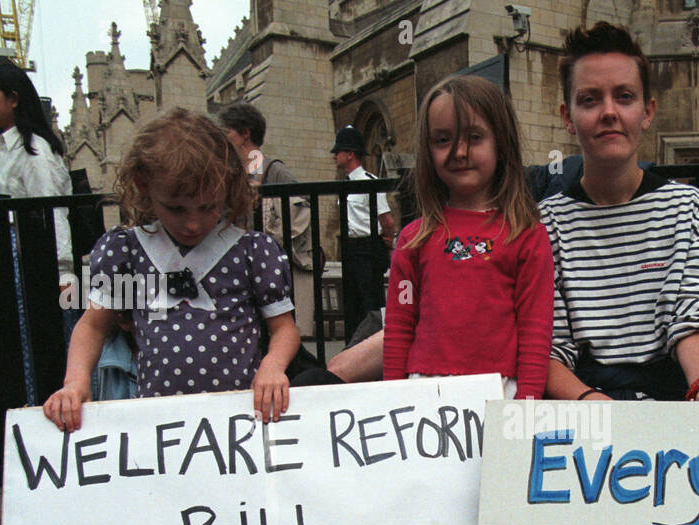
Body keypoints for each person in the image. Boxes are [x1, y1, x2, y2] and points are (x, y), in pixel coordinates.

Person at [541, 21, 699, 406]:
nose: (609, 112)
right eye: (590, 99)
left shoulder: (689, 208)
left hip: (673, 398)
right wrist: (594, 404)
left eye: (624, 97)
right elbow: (548, 345)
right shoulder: (545, 224)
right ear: (567, 116)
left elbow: (694, 311)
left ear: (647, 112)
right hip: (583, 404)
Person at [42, 109, 300, 432]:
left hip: (239, 425)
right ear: (144, 185)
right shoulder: (129, 252)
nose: (193, 223)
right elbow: (93, 325)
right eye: (176, 208)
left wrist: (273, 367)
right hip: (159, 427)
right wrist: (75, 382)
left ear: (227, 187)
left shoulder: (249, 251)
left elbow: (283, 328)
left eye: (208, 207)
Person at [382, 75, 554, 400]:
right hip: (423, 394)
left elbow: (535, 327)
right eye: (443, 140)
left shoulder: (526, 235)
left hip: (500, 394)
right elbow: (399, 324)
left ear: (501, 143)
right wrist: (393, 397)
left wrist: (527, 403)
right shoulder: (412, 239)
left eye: (474, 138)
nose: (459, 152)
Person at [0, 63, 74, 428]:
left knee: (24, 346)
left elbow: (52, 211)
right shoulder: (4, 145)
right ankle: (8, 425)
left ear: (13, 98)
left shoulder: (33, 150)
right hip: (6, 256)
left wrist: (64, 270)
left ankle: (30, 425)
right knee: (1, 344)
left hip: (27, 258)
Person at [219, 103, 319, 338]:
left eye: (227, 133)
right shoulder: (234, 171)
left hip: (270, 268)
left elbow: (301, 207)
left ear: (245, 133)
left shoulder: (269, 168)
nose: (223, 140)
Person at [331, 125, 395, 339]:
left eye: (338, 151)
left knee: (371, 301)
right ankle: (354, 344)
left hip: (367, 246)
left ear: (350, 154)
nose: (334, 155)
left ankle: (375, 344)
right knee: (352, 301)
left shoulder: (369, 182)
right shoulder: (345, 184)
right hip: (351, 247)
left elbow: (386, 220)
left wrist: (387, 243)